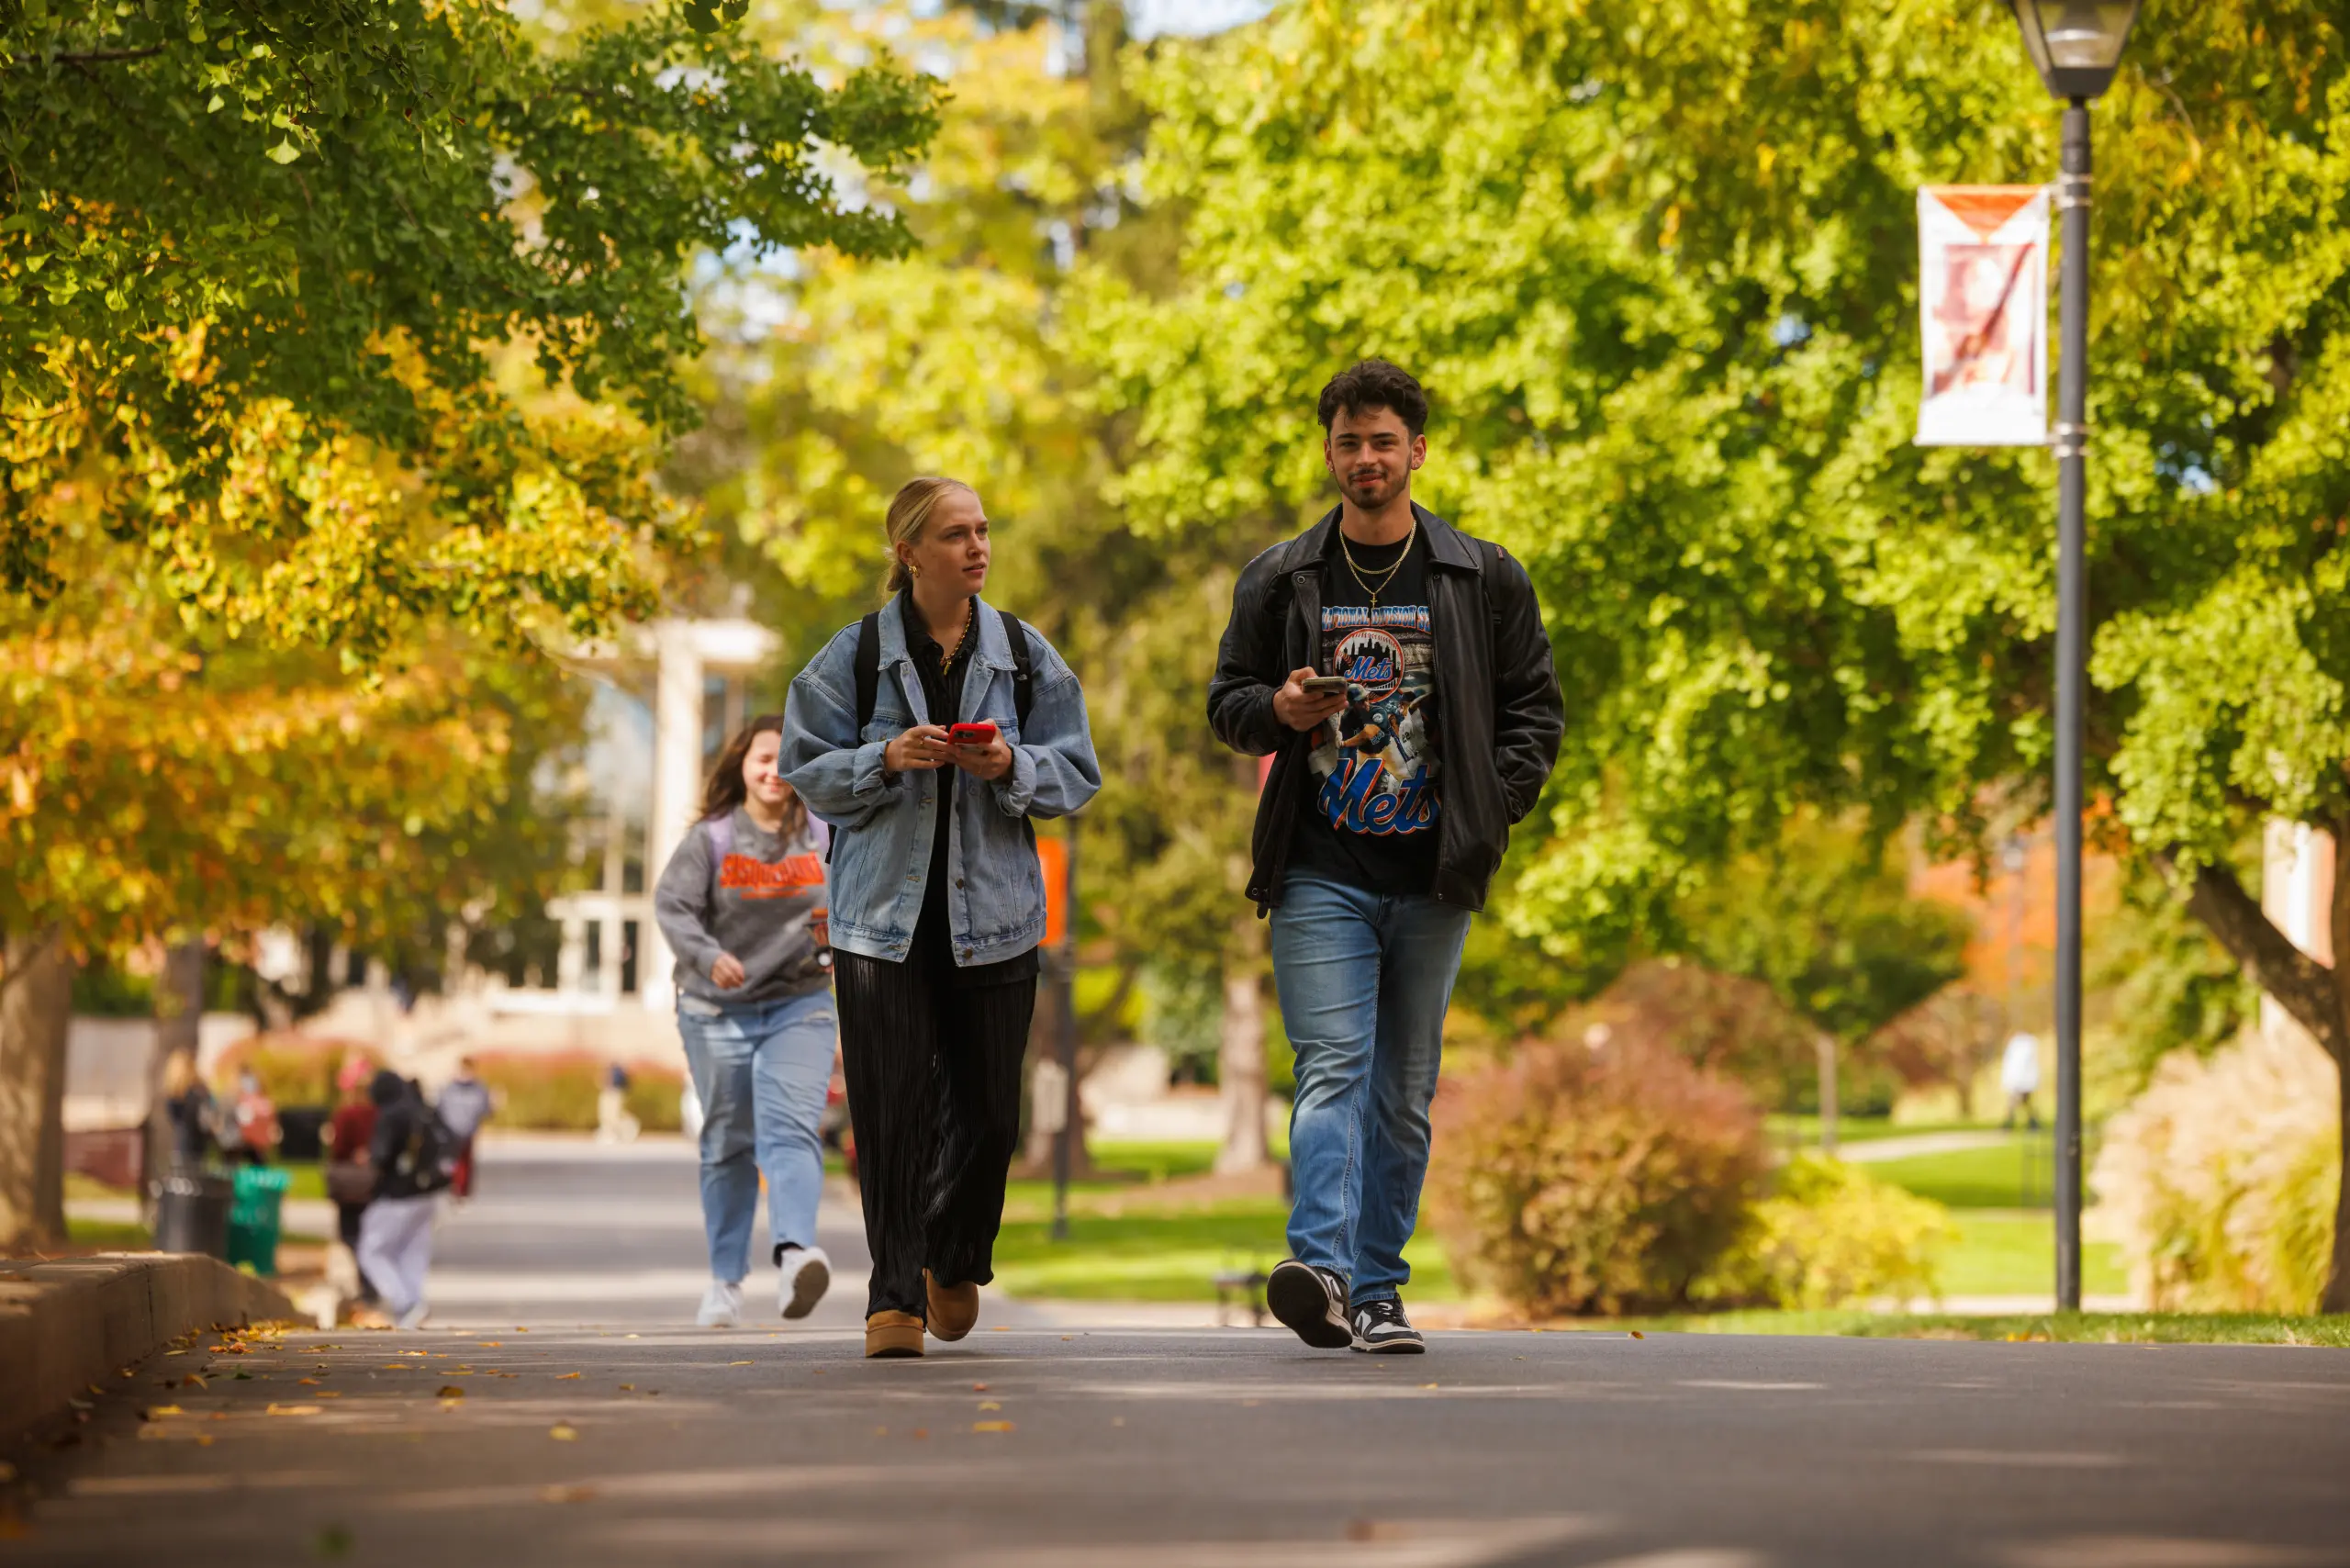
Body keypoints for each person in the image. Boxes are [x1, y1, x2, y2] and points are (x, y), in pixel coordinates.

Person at [1207, 360, 1563, 1354]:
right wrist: (1275, 710)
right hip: (1320, 865)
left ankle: (1377, 1289)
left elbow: (1535, 708)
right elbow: (1227, 702)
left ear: (1416, 451)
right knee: (1333, 1065)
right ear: (1329, 452)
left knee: (1402, 1092)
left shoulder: (1479, 575)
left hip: (1432, 873)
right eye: (1348, 441)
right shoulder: (1281, 578)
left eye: (1382, 441)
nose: (1365, 458)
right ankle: (1318, 1265)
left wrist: (1491, 807)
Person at [780, 475, 1101, 1359]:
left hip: (994, 919)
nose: (977, 547)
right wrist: (882, 757)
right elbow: (803, 768)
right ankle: (894, 1298)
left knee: (992, 1114)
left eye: (984, 531)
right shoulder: (849, 659)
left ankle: (953, 1256)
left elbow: (1077, 772)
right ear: (908, 552)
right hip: (879, 922)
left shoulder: (1027, 658)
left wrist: (1012, 769)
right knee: (891, 1111)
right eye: (956, 534)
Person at [654, 714, 841, 1329]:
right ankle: (724, 1283)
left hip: (800, 1002)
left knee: (790, 1130)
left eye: (787, 759)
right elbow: (672, 906)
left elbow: (860, 894)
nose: (774, 771)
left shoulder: (822, 832)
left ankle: (793, 1256)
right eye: (764, 758)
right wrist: (708, 957)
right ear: (742, 762)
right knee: (728, 1143)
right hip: (715, 1010)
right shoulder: (710, 839)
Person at [355, 1070, 445, 1331]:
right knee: (412, 1251)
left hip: (396, 1194)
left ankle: (404, 1302)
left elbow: (381, 1155)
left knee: (371, 1251)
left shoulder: (391, 1115)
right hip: (427, 1193)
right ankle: (415, 1304)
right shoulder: (422, 1110)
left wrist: (368, 1158)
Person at [325, 1056, 381, 1309]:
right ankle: (370, 1283)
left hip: (350, 1186)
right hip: (372, 1184)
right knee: (367, 1235)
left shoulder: (346, 1115)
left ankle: (368, 1283)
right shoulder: (378, 1114)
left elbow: (338, 1149)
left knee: (350, 1236)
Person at [436, 1057, 494, 1202]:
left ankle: (462, 1191)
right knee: (451, 1161)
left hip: (468, 1130)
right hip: (451, 1130)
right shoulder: (449, 1087)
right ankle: (453, 1188)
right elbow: (439, 1108)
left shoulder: (479, 1088)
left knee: (465, 1162)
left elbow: (486, 1110)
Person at [160, 1050, 215, 1169]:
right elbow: (205, 1122)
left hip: (181, 1147)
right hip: (198, 1148)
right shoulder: (198, 1095)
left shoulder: (173, 1097)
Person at [228, 1068, 279, 1166]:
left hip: (257, 1142)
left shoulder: (263, 1102)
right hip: (246, 1141)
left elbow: (270, 1120)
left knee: (259, 1163)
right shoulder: (244, 1100)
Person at [2001, 1031, 2042, 1130]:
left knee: (2018, 1101)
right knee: (2022, 1101)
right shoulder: (2020, 1045)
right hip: (2020, 1080)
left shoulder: (2026, 1044)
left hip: (2023, 1080)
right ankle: (2031, 1122)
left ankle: (2012, 1122)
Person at [597, 1061, 640, 1144]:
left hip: (614, 1093)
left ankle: (615, 1134)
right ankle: (610, 1133)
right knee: (608, 1115)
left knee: (614, 1116)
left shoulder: (615, 1073)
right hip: (612, 1093)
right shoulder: (614, 1072)